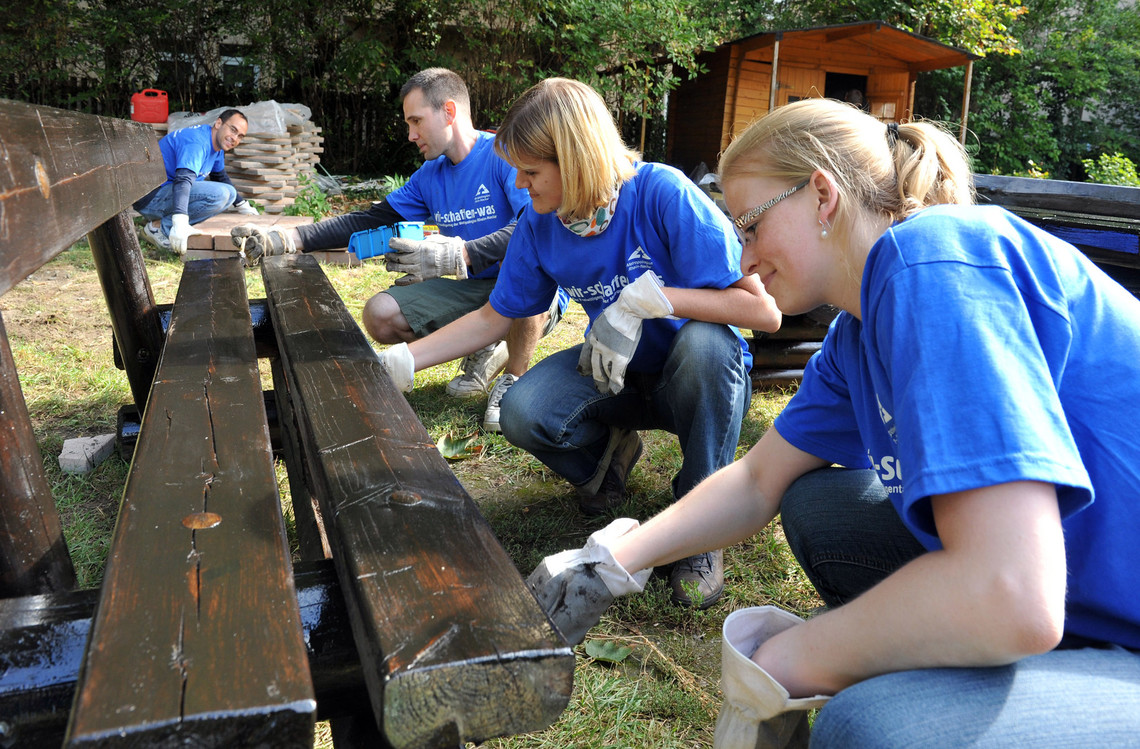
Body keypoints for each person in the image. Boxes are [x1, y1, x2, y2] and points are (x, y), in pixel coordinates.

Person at [528, 97, 1140, 748]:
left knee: (867, 726)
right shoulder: (853, 335)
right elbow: (756, 480)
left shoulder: (934, 261)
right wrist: (615, 557)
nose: (743, 261)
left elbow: (1011, 592)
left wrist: (788, 660)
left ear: (821, 194)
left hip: (1083, 609)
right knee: (819, 507)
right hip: (1077, 588)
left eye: (752, 228)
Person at [378, 78, 782, 607]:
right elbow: (493, 316)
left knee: (708, 346)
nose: (519, 186)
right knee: (523, 410)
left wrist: (645, 301)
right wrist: (403, 360)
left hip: (692, 375)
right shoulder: (540, 225)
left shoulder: (662, 192)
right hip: (616, 374)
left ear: (576, 158)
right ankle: (606, 462)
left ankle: (702, 520)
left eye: (531, 172)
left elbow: (762, 311)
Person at [231, 68, 562, 432]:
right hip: (475, 285)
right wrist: (289, 238)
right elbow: (369, 219)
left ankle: (513, 376)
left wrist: (461, 254)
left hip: (529, 286)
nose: (411, 135)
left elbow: (531, 228)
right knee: (381, 313)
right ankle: (483, 344)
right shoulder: (429, 176)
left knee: (524, 278)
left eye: (416, 121)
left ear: (449, 112)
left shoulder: (503, 156)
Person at [134, 108, 257, 254]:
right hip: (149, 198)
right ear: (218, 123)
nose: (234, 138)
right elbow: (183, 179)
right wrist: (180, 221)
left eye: (240, 136)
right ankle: (158, 229)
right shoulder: (197, 142)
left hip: (165, 194)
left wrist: (243, 206)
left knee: (229, 195)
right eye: (233, 130)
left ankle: (160, 224)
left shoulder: (216, 147)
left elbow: (220, 176)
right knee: (221, 194)